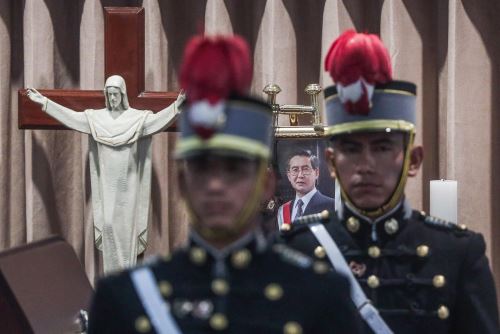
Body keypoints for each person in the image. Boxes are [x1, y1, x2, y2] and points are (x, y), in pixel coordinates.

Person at [87, 34, 362, 334]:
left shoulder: (321, 297)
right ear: (182, 182)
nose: (216, 185)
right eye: (203, 168)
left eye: (234, 170)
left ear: (267, 183)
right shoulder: (125, 299)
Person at [280, 30, 499, 333]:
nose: (366, 165)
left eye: (382, 148)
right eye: (351, 148)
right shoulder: (294, 250)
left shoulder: (457, 253)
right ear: (331, 162)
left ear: (414, 160)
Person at [26, 76, 184, 273]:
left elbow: (156, 122)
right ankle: (112, 280)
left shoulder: (136, 119)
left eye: (115, 94)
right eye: (109, 94)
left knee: (127, 233)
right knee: (108, 225)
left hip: (129, 186)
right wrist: (47, 104)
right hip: (107, 187)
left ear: (123, 94)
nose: (112, 98)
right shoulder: (96, 119)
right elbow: (73, 118)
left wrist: (176, 107)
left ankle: (124, 282)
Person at [277, 149, 334, 228]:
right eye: (295, 170)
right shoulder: (283, 210)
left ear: (316, 173)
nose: (300, 175)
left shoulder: (332, 206)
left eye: (305, 169)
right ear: (289, 176)